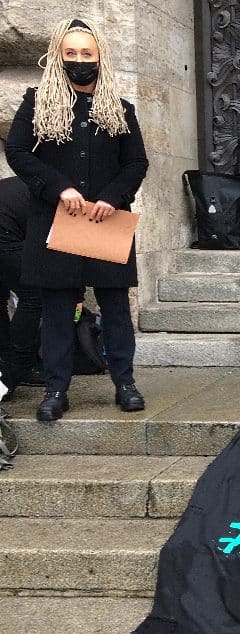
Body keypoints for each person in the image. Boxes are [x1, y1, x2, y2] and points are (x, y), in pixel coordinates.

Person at [5, 18, 149, 421]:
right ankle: (56, 389)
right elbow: (18, 152)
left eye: (87, 53)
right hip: (56, 222)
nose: (79, 60)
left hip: (106, 222)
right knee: (55, 309)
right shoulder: (37, 103)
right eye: (71, 54)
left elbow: (136, 162)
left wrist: (112, 197)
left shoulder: (121, 110)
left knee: (116, 307)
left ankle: (125, 383)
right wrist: (59, 188)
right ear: (57, 56)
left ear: (99, 56)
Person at [0, 177, 43, 398]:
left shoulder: (30, 180)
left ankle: (6, 363)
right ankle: (20, 365)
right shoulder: (64, 193)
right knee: (34, 296)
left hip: (9, 227)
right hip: (6, 233)